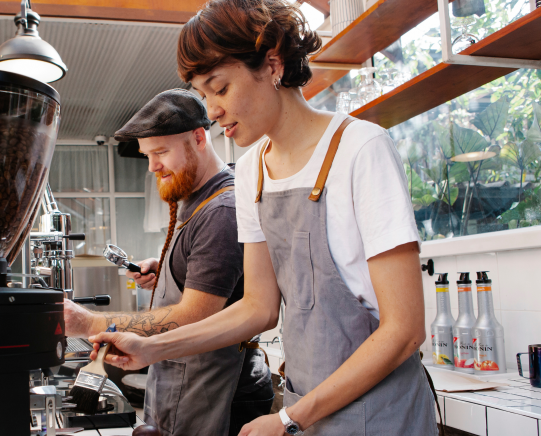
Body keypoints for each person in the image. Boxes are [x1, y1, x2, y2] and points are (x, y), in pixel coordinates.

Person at [87, 1, 439, 435]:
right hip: (307, 405)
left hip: (382, 414)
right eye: (203, 95)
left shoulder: (360, 149)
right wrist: (150, 348)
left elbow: (405, 330)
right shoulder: (251, 170)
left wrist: (291, 419)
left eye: (220, 88)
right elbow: (257, 309)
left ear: (271, 63)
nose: (212, 110)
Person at [63, 89, 274, 436]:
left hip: (217, 392)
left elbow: (196, 315)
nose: (152, 166)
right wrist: (169, 272)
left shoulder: (222, 210)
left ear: (199, 138)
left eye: (160, 152)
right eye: (148, 155)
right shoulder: (198, 200)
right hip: (183, 387)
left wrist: (90, 323)